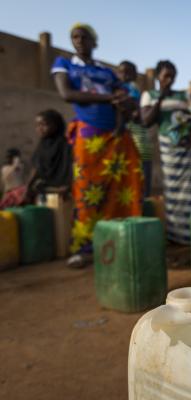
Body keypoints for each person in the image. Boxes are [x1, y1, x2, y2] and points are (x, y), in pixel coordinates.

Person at [52, 23, 142, 268]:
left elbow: (127, 99)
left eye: (84, 37)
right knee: (87, 190)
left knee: (122, 188)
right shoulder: (64, 64)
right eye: (75, 36)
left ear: (94, 42)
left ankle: (122, 240)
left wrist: (123, 109)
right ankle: (84, 247)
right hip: (89, 135)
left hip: (116, 135)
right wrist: (109, 98)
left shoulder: (106, 71)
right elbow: (67, 94)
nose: (79, 40)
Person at [141, 60, 191, 245]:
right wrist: (161, 97)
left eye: (173, 76)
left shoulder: (184, 95)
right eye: (166, 75)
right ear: (158, 76)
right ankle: (179, 237)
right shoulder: (149, 95)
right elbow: (146, 121)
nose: (170, 79)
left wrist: (189, 127)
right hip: (170, 149)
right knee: (175, 193)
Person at [117, 60, 153, 197]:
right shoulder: (118, 89)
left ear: (134, 75)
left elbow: (136, 113)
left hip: (136, 132)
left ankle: (144, 198)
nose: (124, 75)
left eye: (128, 72)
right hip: (126, 132)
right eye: (121, 71)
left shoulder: (133, 89)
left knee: (142, 164)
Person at [27, 109, 73, 199]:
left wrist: (67, 185)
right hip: (43, 188)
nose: (39, 128)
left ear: (56, 125)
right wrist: (28, 186)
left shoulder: (65, 145)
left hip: (62, 191)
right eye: (37, 125)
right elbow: (36, 167)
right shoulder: (42, 146)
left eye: (44, 124)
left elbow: (71, 166)